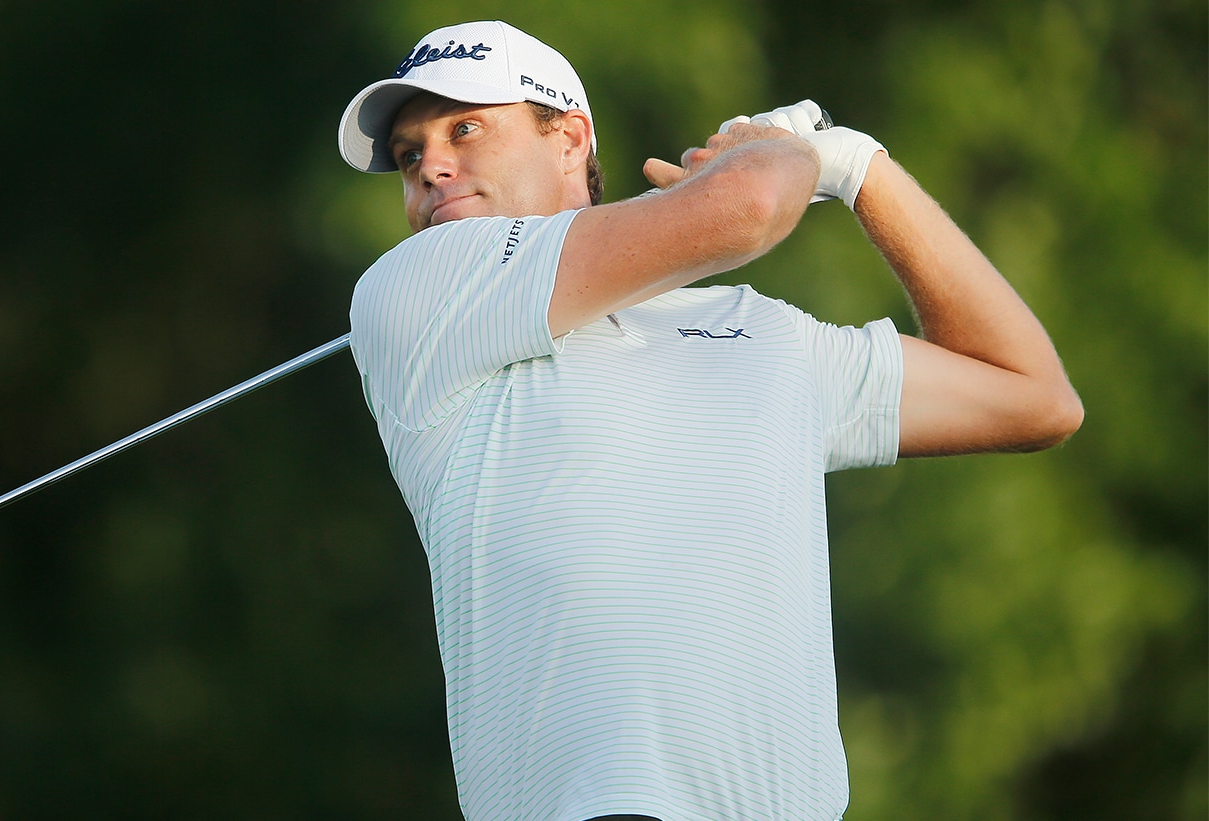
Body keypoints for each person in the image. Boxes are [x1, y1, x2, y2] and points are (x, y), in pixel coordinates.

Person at [337, 19, 1081, 821]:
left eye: (465, 129)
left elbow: (1033, 395)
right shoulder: (413, 292)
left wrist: (858, 166)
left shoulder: (766, 331)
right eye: (409, 156)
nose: (431, 167)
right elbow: (751, 205)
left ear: (570, 139)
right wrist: (782, 155)